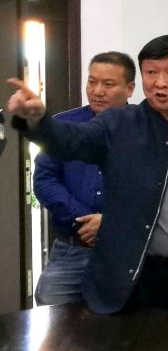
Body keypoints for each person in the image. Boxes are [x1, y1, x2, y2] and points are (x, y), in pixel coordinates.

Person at [7, 35, 168, 315]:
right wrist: (37, 120)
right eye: (151, 72)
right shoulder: (118, 124)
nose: (160, 82)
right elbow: (71, 140)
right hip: (135, 277)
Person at [34, 51, 136, 305]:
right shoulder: (63, 125)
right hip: (72, 248)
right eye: (92, 81)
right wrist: (84, 219)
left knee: (126, 322)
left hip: (127, 252)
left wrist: (110, 222)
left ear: (130, 88)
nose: (97, 91)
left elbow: (155, 188)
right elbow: (45, 181)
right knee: (52, 314)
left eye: (108, 84)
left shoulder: (145, 129)